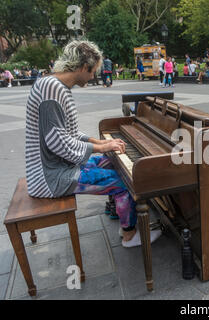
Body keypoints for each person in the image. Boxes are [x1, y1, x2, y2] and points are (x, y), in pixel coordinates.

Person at [24, 40, 161, 248]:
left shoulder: (54, 85)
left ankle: (122, 215)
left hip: (58, 167)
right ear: (82, 67)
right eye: (92, 71)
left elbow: (67, 132)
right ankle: (129, 235)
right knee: (125, 183)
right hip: (51, 178)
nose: (93, 76)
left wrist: (96, 141)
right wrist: (101, 147)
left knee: (111, 162)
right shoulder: (51, 89)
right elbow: (57, 141)